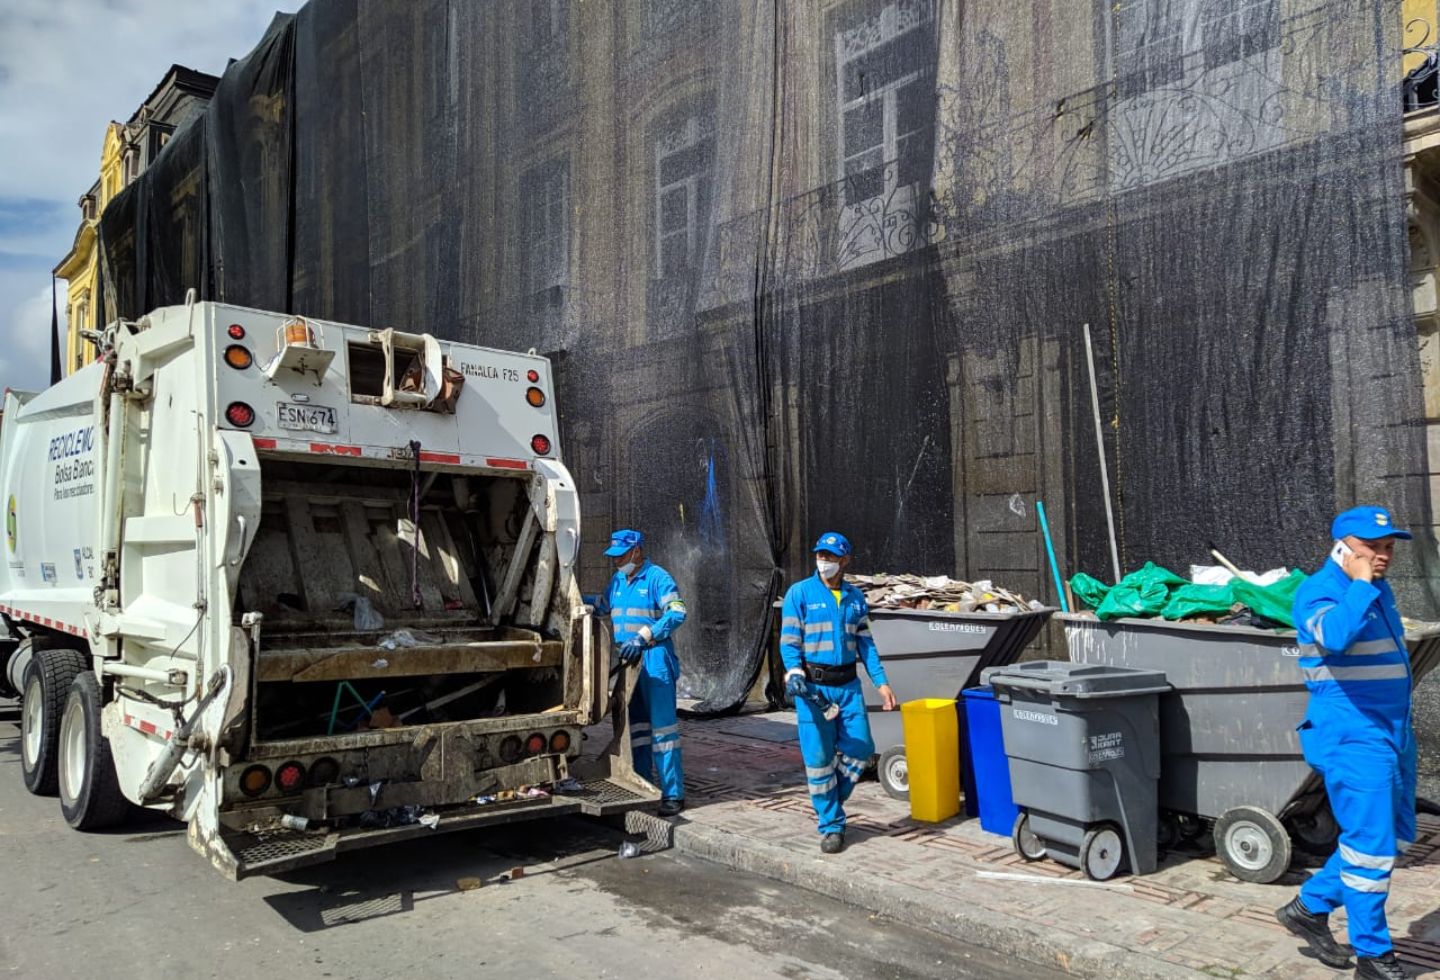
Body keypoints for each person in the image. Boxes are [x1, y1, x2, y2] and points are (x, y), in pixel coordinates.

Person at [1276, 506, 1415, 980]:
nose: (1381, 557)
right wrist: (1358, 582)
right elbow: (1334, 636)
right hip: (1352, 735)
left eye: (1388, 549)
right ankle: (1374, 957)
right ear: (1341, 548)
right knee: (1371, 848)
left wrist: (1366, 583)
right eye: (1370, 547)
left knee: (1376, 842)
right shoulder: (1320, 591)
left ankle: (1307, 907)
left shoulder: (1376, 589)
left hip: (1389, 731)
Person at [779, 531, 897, 853]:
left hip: (848, 688)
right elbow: (789, 641)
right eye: (820, 555)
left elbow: (866, 644)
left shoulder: (856, 598)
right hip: (813, 690)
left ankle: (830, 799)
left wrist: (881, 682)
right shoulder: (799, 594)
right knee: (818, 760)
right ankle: (832, 825)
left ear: (845, 561)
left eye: (831, 557)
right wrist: (794, 673)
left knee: (861, 747)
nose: (824, 561)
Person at [591, 529, 688, 817]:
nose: (617, 561)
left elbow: (677, 613)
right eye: (614, 556)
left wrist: (644, 636)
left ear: (636, 551)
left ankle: (673, 794)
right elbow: (602, 606)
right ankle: (644, 784)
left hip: (654, 659)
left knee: (664, 731)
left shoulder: (658, 578)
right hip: (629, 662)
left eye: (621, 555)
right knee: (638, 730)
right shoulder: (618, 580)